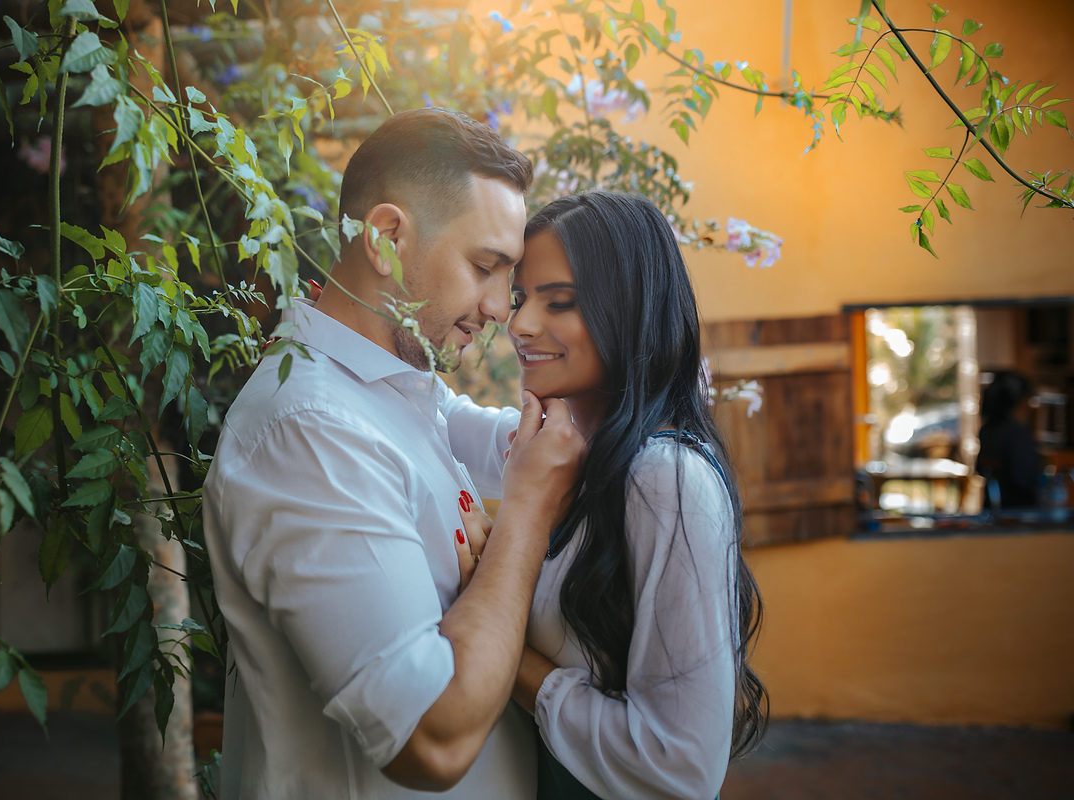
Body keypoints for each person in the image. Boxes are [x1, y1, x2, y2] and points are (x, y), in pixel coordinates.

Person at [203, 108, 585, 798]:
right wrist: (527, 518)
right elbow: (430, 739)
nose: (501, 308)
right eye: (485, 267)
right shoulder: (311, 431)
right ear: (385, 239)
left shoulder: (393, 385)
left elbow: (509, 441)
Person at [455, 192, 768, 799]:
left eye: (559, 302)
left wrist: (503, 651)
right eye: (520, 299)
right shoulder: (572, 456)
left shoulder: (665, 479)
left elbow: (681, 767)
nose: (519, 324)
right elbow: (443, 418)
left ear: (628, 310)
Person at [977, 371, 1039, 508]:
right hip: (1018, 511)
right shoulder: (1016, 434)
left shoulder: (988, 429)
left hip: (993, 510)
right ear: (1020, 400)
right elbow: (1025, 479)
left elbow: (980, 468)